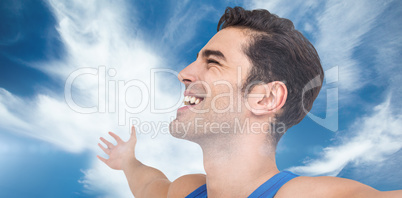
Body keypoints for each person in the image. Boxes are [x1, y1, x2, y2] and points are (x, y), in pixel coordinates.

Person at [97, 6, 402, 198]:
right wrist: (127, 161)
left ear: (265, 98)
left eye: (213, 62)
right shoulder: (186, 190)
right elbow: (150, 185)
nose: (184, 74)